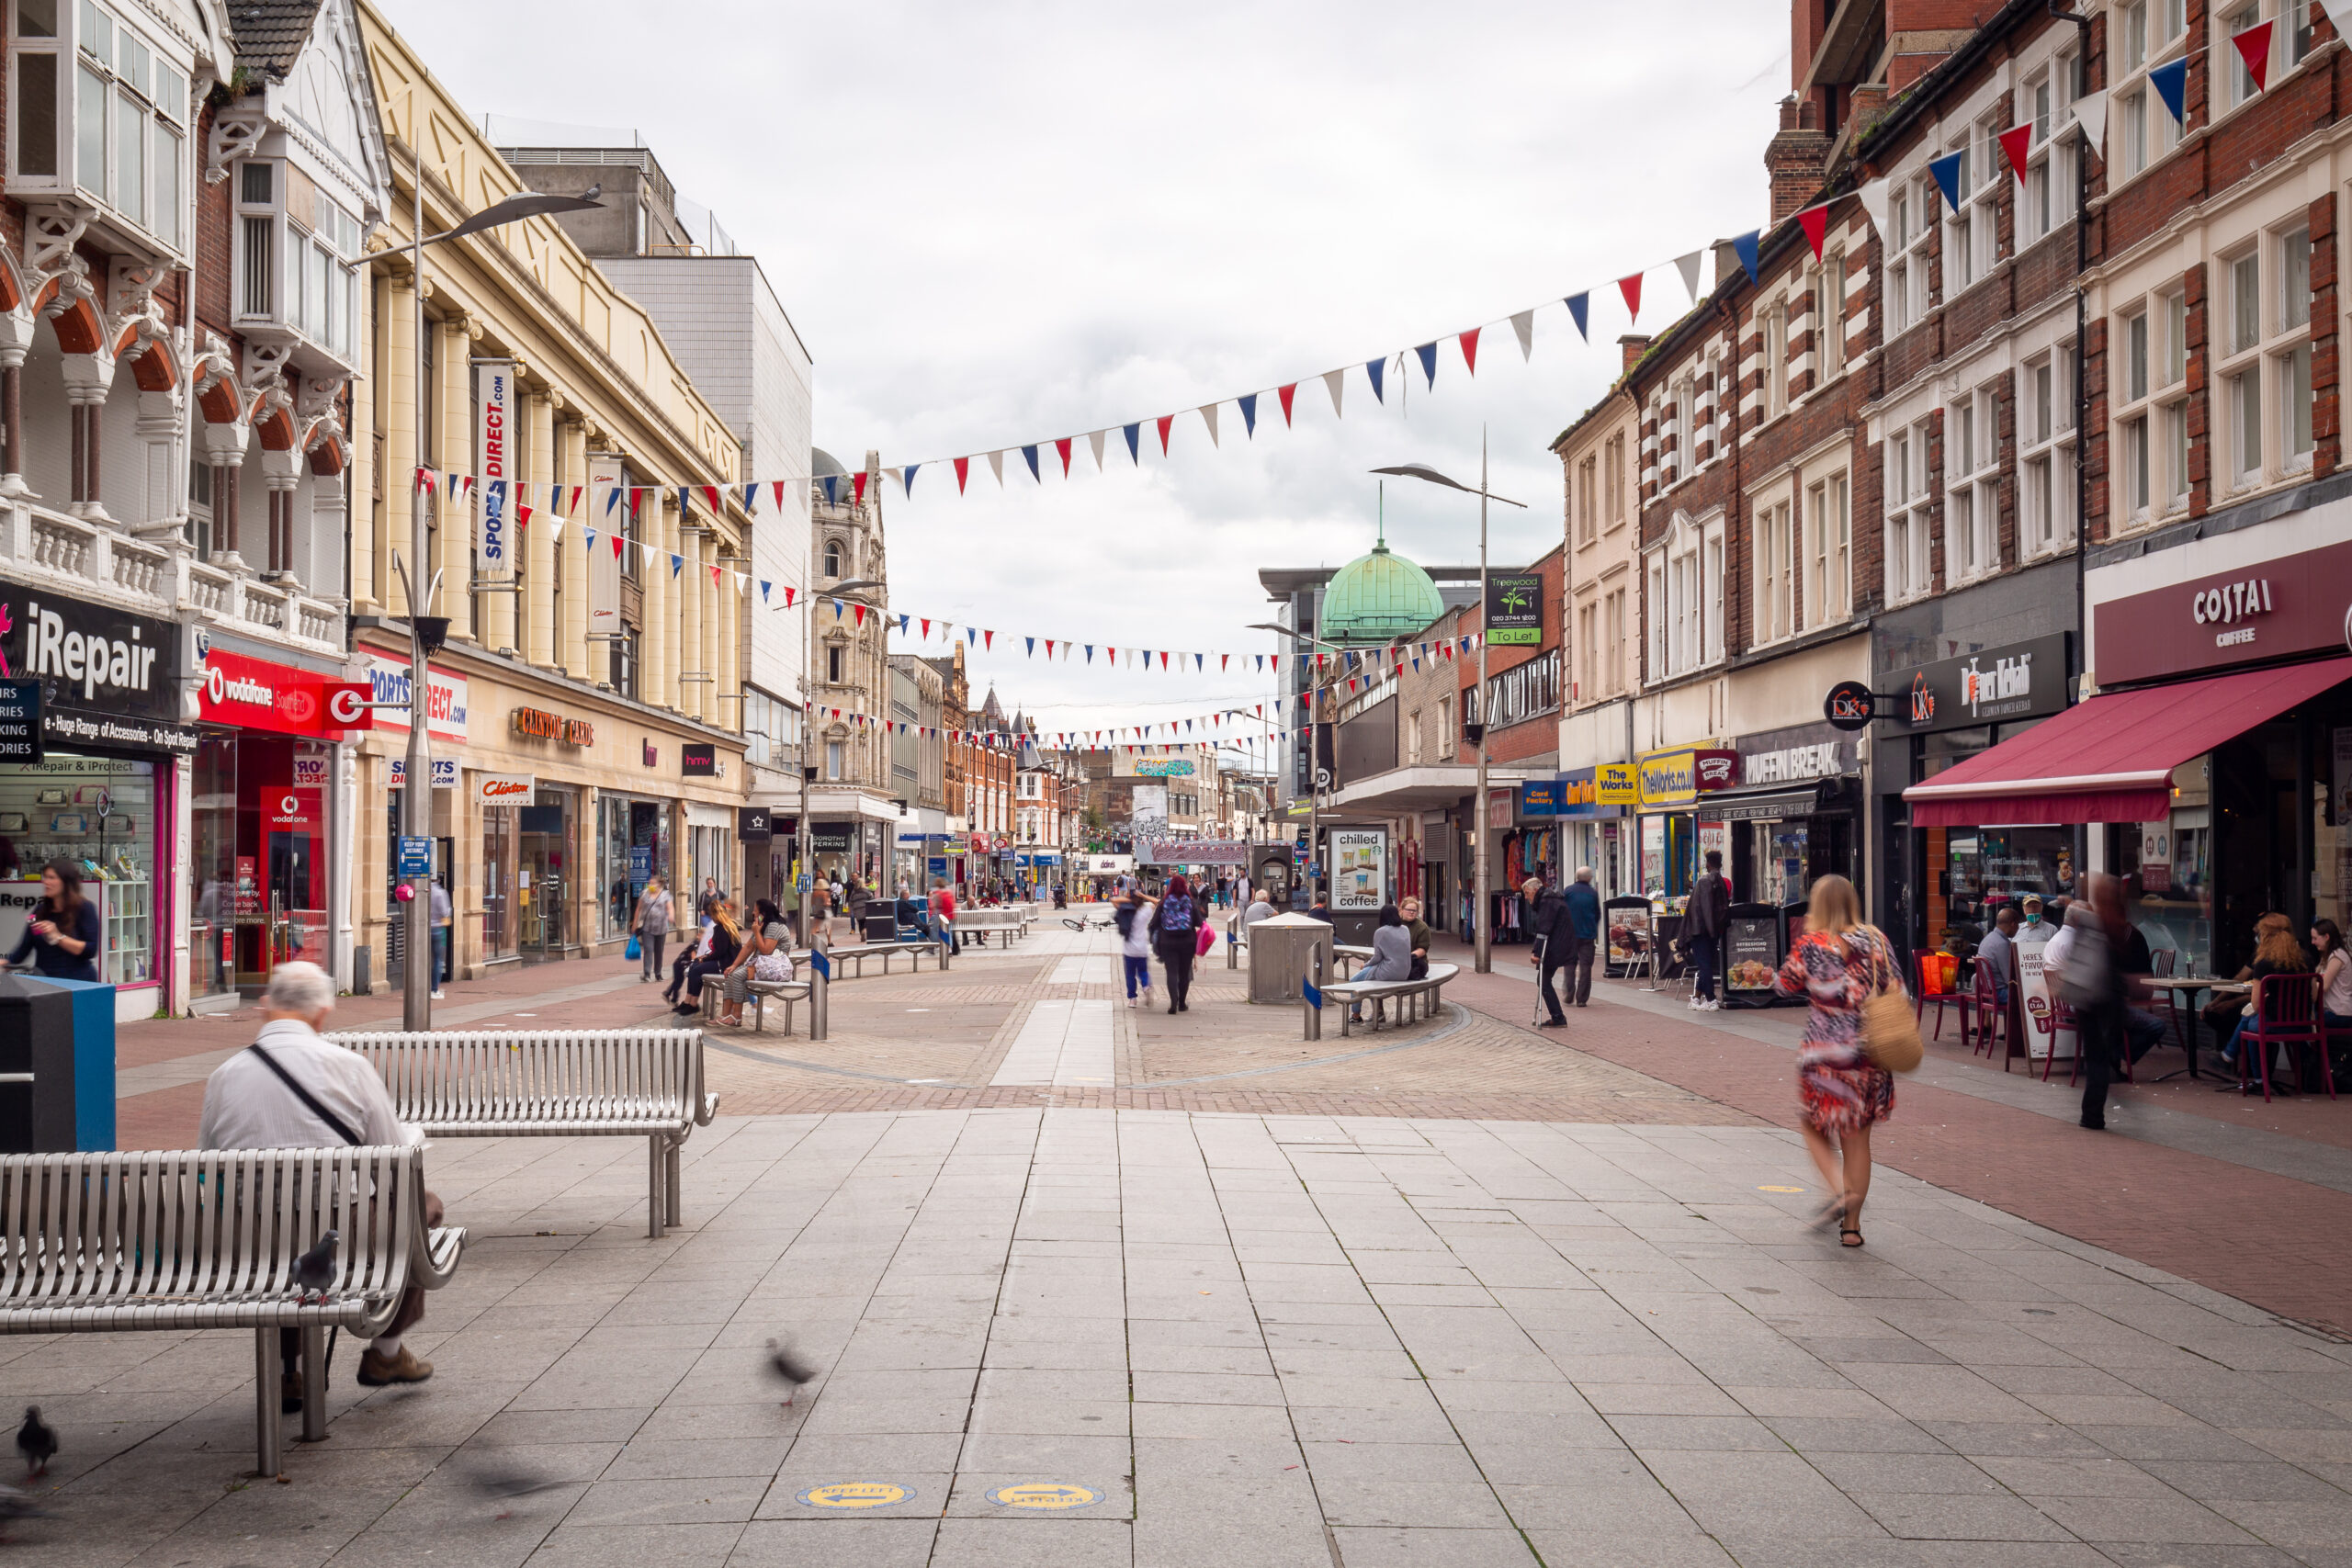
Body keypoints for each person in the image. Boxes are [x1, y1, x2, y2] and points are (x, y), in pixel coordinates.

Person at [198, 963, 438, 1398]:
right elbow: (392, 1157)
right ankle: (386, 1350)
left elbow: (209, 1161)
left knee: (285, 1247)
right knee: (421, 1208)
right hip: (340, 1229)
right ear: (322, 1013)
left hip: (253, 1235)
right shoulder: (348, 1066)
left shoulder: (223, 1075)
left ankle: (290, 1371)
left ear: (266, 1010)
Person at [1770, 874, 1894, 1249]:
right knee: (1858, 1140)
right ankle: (1852, 1229)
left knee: (1812, 1124)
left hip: (1824, 1057)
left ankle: (1840, 1191)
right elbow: (1896, 988)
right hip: (1869, 1055)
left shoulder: (1810, 944)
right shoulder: (1877, 940)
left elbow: (1783, 985)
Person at [2056, 885, 2128, 1130]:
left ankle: (2093, 1111)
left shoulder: (2087, 925)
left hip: (2085, 998)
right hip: (2100, 999)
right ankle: (2093, 1114)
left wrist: (2066, 901)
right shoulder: (2108, 929)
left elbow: (2074, 913)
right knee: (2099, 1057)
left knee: (2097, 1055)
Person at [2219, 914, 2312, 1077]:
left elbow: (2256, 1005)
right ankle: (2228, 1057)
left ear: (2265, 936)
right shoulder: (2306, 959)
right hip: (2303, 1023)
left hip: (2273, 1024)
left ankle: (2257, 1078)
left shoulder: (2264, 963)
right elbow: (2315, 995)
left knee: (2250, 1022)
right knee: (2250, 1020)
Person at [1, 860, 100, 982]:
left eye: (52, 878)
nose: (46, 882)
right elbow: (24, 947)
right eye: (45, 877)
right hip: (46, 983)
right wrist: (6, 963)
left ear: (66, 881)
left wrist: (58, 937)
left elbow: (90, 950)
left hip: (77, 982)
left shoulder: (84, 908)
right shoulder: (40, 911)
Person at [718, 898, 792, 1027]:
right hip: (761, 965)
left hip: (774, 967)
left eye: (755, 910)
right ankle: (726, 1015)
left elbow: (766, 951)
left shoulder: (774, 926)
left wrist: (756, 932)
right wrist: (734, 965)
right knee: (731, 973)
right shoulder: (763, 926)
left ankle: (737, 1016)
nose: (753, 913)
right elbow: (748, 947)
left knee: (736, 976)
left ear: (763, 913)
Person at [674, 899, 743, 1016]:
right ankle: (688, 1001)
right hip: (723, 960)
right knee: (694, 964)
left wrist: (705, 958)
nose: (711, 917)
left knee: (697, 970)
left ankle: (693, 1004)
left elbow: (720, 952)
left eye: (711, 914)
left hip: (726, 964)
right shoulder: (724, 926)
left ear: (715, 914)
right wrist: (703, 957)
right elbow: (719, 951)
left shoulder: (723, 929)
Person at [1523, 875, 1573, 1029]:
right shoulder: (1551, 899)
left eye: (1527, 893)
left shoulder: (1546, 902)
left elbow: (1543, 929)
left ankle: (1558, 1017)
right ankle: (1557, 1016)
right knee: (1543, 981)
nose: (1526, 897)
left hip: (1555, 947)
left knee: (1543, 981)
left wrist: (1536, 953)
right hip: (1560, 945)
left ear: (1535, 890)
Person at [1685, 850, 1730, 1010]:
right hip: (1713, 931)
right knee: (1705, 965)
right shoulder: (1721, 881)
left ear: (1708, 864)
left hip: (1701, 930)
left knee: (1704, 966)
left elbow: (1702, 909)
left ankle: (1711, 999)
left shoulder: (1704, 881)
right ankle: (1696, 998)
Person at [1150, 874, 1200, 1014]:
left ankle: (1173, 1003)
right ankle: (1182, 1003)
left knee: (1171, 972)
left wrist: (1153, 938)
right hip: (1187, 941)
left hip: (1168, 941)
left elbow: (1154, 923)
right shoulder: (1189, 901)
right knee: (1184, 974)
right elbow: (1198, 921)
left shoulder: (1164, 901)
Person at [1560, 866, 1602, 1008]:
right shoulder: (1593, 893)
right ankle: (1582, 998)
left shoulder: (1568, 891)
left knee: (1569, 964)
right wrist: (1592, 927)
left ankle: (1569, 993)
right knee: (1586, 967)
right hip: (1587, 935)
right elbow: (1597, 914)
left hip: (1570, 935)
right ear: (1589, 878)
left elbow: (1562, 911)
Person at [1975, 903, 2019, 1013]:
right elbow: (2009, 978)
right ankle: (2022, 1030)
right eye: (2018, 925)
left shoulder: (1988, 939)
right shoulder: (2002, 944)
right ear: (2013, 924)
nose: (2018, 929)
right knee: (2030, 995)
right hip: (1999, 993)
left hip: (1987, 991)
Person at [1118, 883, 1157, 1009]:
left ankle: (1132, 999)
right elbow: (1158, 902)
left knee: (1130, 975)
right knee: (1143, 972)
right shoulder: (1145, 911)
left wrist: (1129, 898)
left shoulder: (1127, 911)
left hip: (1129, 949)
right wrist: (1143, 896)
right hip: (1142, 949)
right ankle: (1146, 987)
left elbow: (1113, 899)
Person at [632, 876, 674, 984]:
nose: (650, 886)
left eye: (653, 884)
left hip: (661, 928)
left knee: (659, 951)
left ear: (658, 885)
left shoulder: (665, 894)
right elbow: (639, 908)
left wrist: (671, 916)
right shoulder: (645, 894)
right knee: (648, 950)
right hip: (647, 927)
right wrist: (635, 923)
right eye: (649, 883)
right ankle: (646, 973)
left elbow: (670, 907)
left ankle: (658, 973)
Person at [1398, 897, 1433, 980]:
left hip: (1415, 962)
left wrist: (1407, 958)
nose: (1411, 912)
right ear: (1402, 910)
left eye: (1414, 911)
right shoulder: (1395, 924)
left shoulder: (1422, 927)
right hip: (1395, 961)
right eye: (1408, 910)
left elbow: (1422, 949)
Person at [429, 876, 452, 999]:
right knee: (438, 960)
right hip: (438, 929)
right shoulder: (440, 893)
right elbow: (444, 912)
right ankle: (434, 989)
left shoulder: (421, 891)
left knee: (422, 960)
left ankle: (420, 987)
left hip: (422, 929)